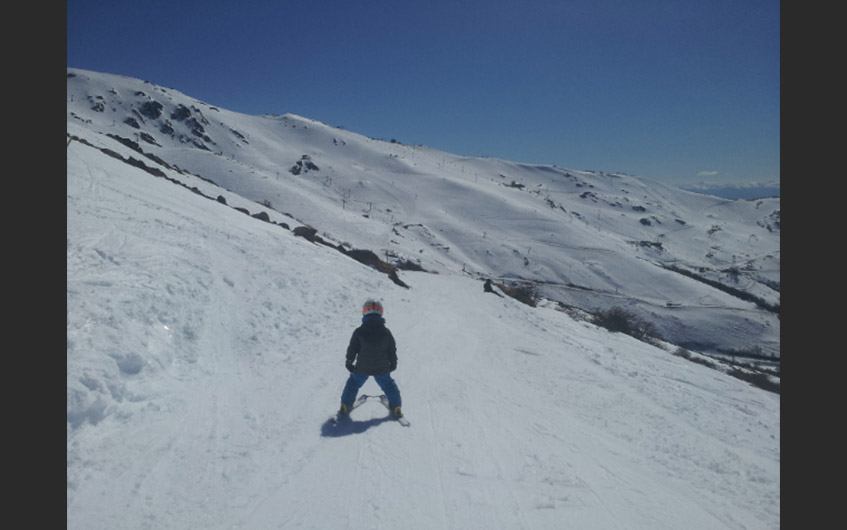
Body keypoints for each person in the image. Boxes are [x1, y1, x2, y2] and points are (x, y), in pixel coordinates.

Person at [339, 299, 403, 417]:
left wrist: (349, 361)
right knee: (388, 385)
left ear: (364, 312)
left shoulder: (359, 331)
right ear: (381, 313)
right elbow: (391, 350)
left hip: (362, 368)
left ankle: (345, 405)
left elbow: (353, 348)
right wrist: (393, 363)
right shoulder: (386, 332)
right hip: (381, 368)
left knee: (353, 383)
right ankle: (396, 406)